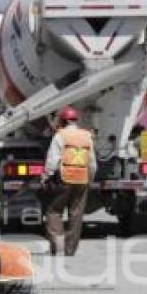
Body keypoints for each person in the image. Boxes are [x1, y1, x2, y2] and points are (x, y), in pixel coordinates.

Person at [43, 106, 97, 256]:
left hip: (64, 178)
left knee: (54, 211)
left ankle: (57, 247)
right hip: (82, 179)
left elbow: (53, 160)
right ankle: (70, 249)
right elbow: (92, 162)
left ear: (63, 120)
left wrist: (46, 175)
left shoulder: (60, 136)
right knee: (76, 214)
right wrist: (89, 179)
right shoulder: (87, 136)